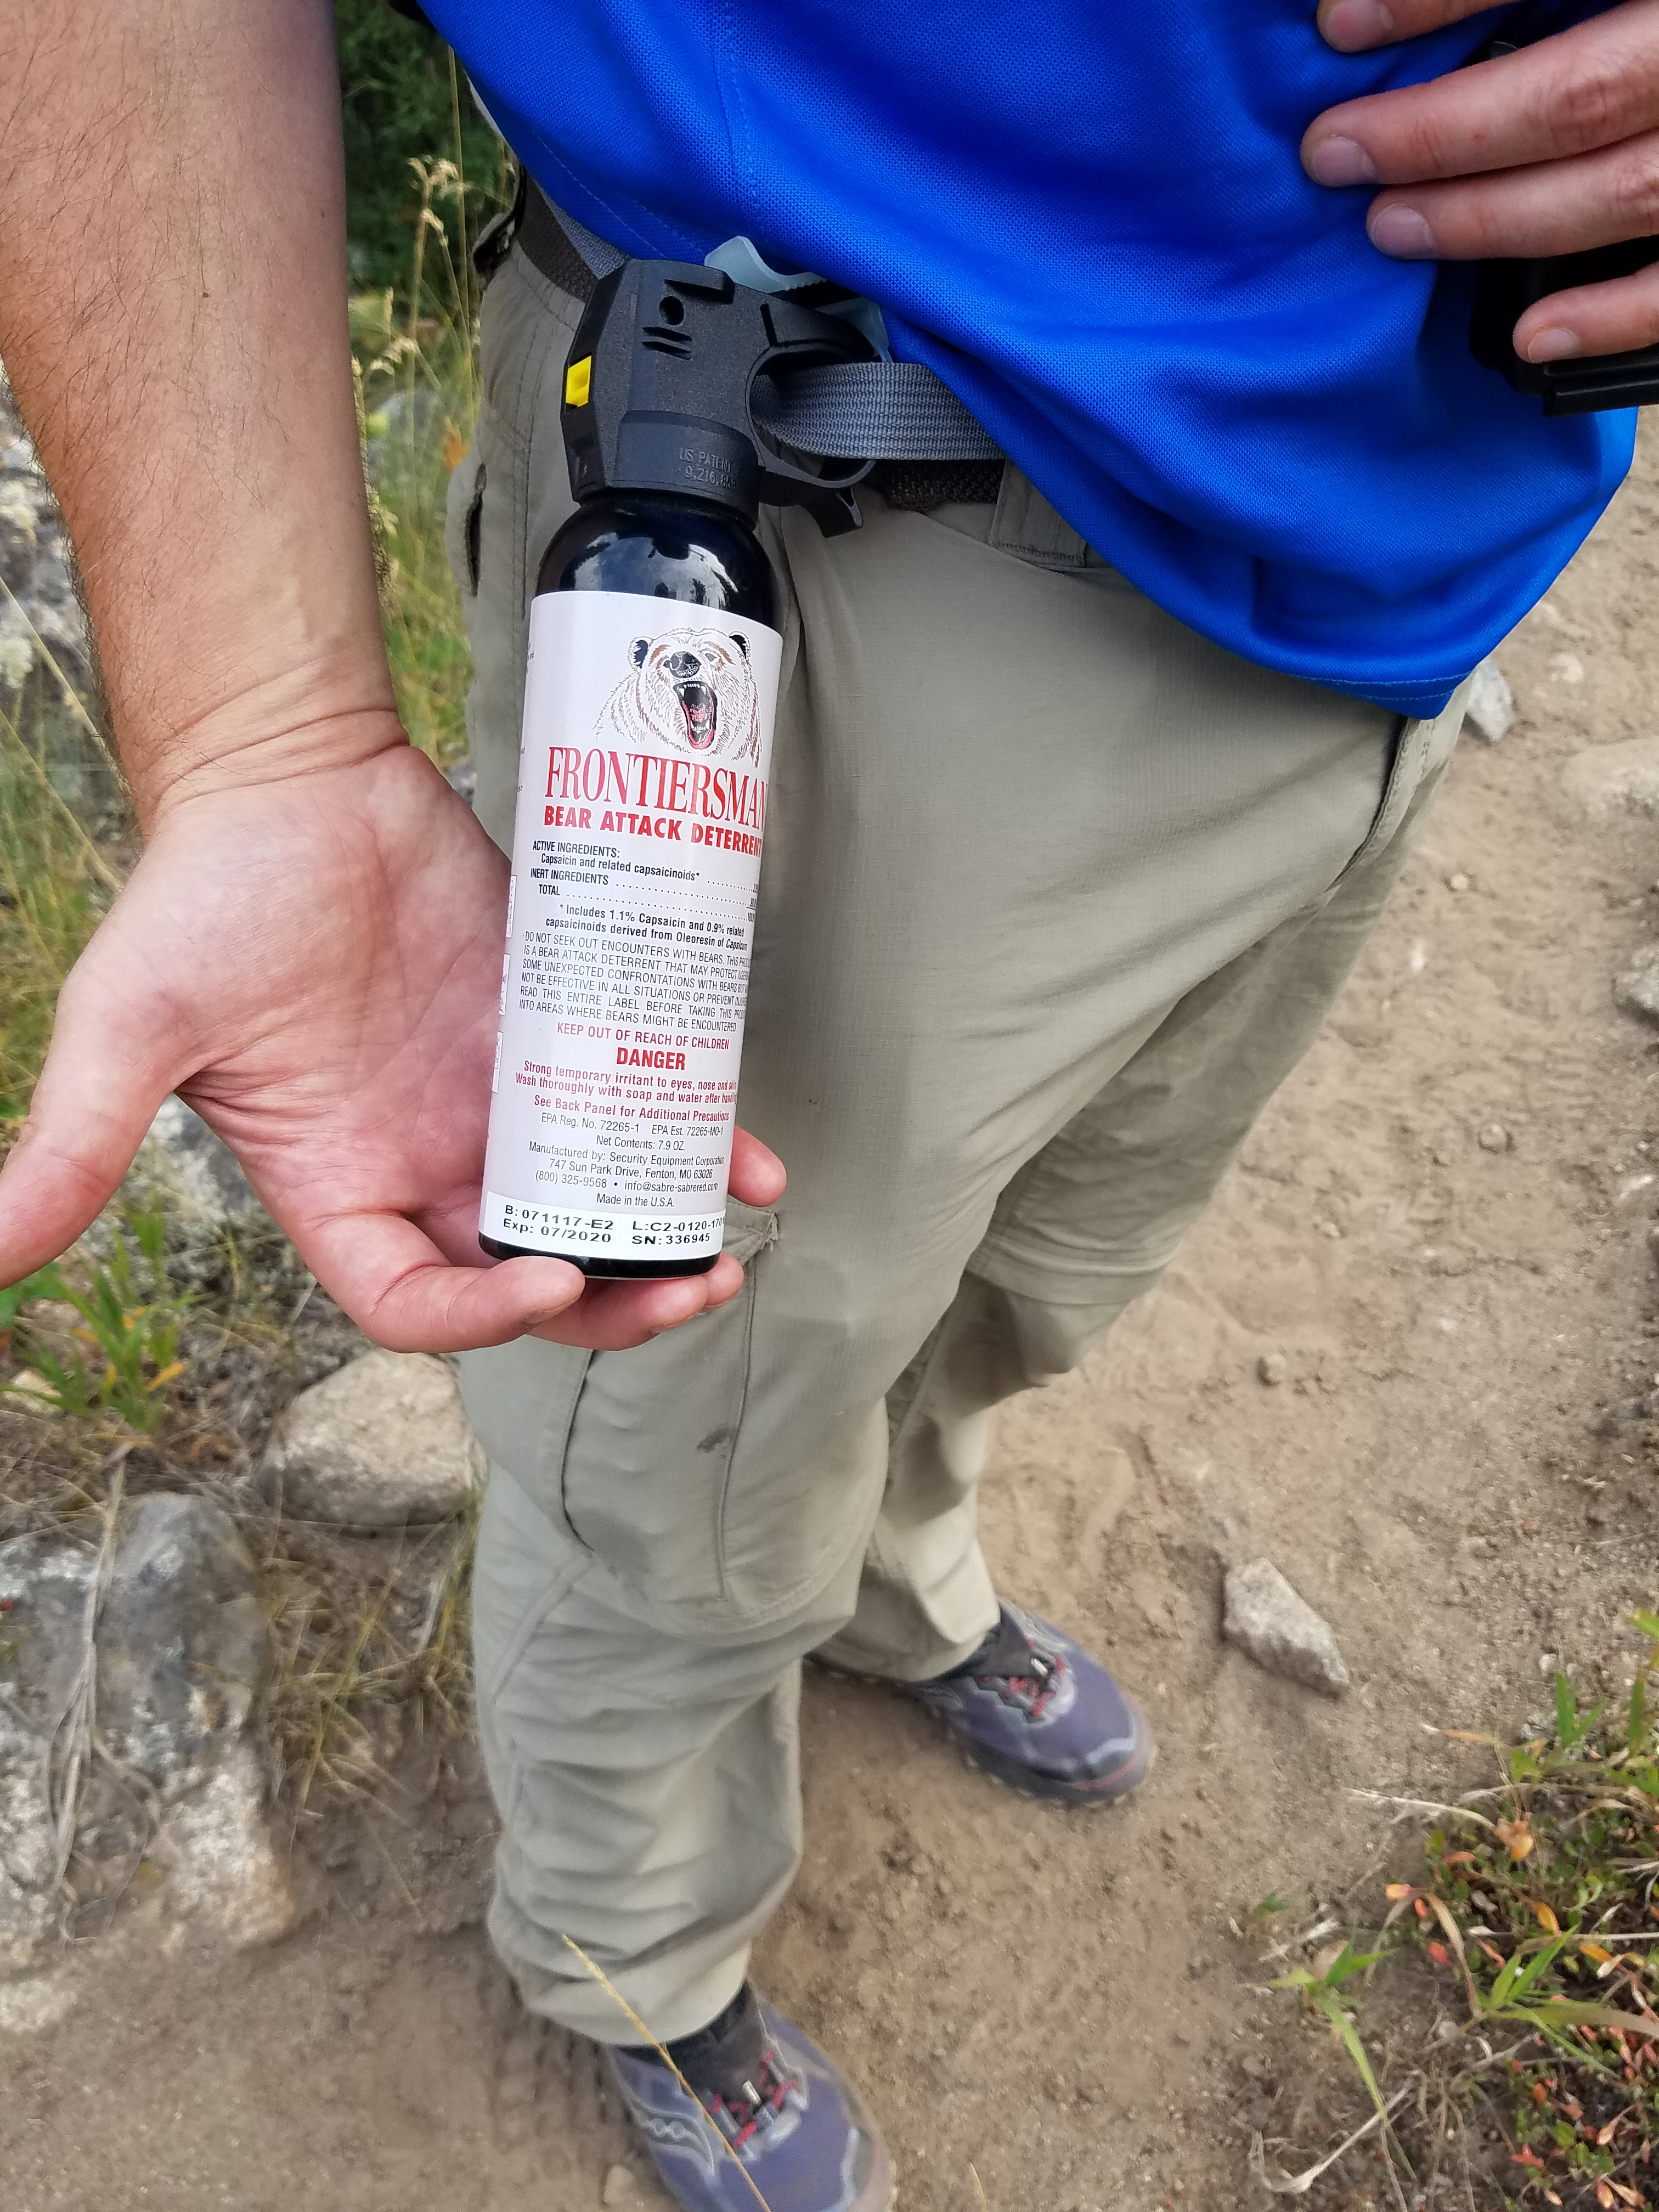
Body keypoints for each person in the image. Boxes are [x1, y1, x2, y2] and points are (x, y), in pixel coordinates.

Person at [1, 2, 1655, 2205]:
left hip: (1420, 547)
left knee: (1048, 1259)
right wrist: (266, 725)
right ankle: (632, 1941)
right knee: (683, 1409)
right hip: (827, 500)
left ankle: (895, 1580)